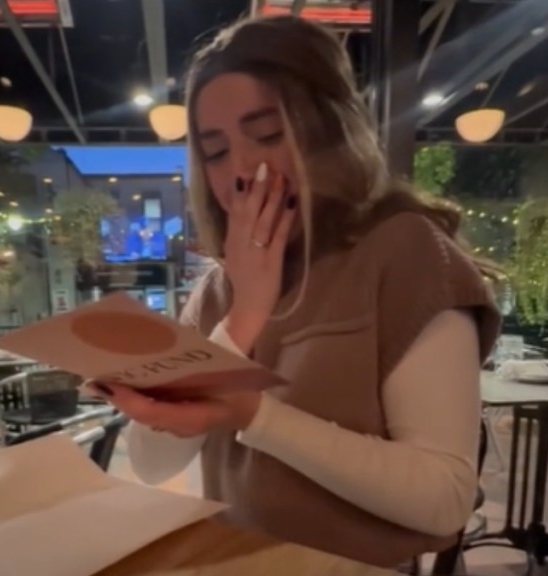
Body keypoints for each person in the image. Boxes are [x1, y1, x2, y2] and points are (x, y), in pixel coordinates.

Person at [91, 16, 501, 568]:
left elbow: (444, 500)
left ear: (328, 129)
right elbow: (153, 462)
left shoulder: (406, 252)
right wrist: (243, 317)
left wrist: (252, 413)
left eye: (267, 134)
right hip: (237, 559)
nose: (242, 168)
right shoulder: (220, 285)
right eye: (214, 151)